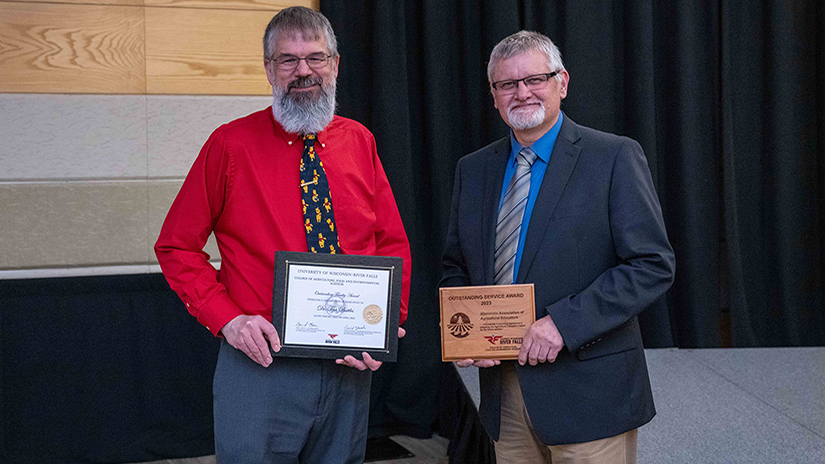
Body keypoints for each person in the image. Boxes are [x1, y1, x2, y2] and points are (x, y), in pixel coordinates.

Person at [154, 6, 411, 463]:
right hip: (261, 364)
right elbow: (176, 246)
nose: (303, 71)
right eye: (288, 60)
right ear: (269, 69)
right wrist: (229, 319)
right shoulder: (229, 145)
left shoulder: (360, 141)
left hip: (347, 366)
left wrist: (383, 326)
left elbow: (390, 242)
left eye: (315, 58)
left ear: (335, 65)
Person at [441, 31, 675, 463]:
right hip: (504, 394)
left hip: (590, 392)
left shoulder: (614, 157)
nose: (522, 92)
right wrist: (466, 328)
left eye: (535, 79)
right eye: (507, 84)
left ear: (562, 83)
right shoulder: (473, 170)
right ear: (494, 96)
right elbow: (456, 265)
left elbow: (651, 265)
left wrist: (563, 324)